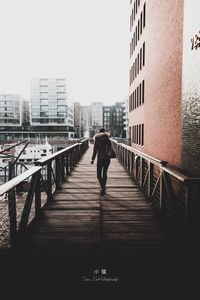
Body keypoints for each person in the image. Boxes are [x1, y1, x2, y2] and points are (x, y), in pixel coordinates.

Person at [91, 128, 111, 195]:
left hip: (100, 159)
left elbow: (95, 150)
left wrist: (92, 159)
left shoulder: (97, 139)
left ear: (98, 132)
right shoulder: (108, 139)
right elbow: (110, 149)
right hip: (107, 159)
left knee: (98, 175)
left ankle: (103, 187)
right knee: (104, 173)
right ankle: (103, 187)